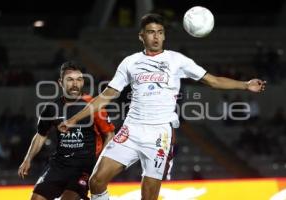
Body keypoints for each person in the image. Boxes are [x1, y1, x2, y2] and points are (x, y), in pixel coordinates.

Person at [58, 14, 266, 200]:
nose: (156, 37)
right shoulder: (130, 63)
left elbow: (213, 81)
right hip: (131, 129)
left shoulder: (177, 60)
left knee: (149, 197)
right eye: (150, 32)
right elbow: (106, 96)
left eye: (160, 32)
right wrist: (74, 119)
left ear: (164, 36)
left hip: (159, 134)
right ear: (141, 36)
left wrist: (245, 85)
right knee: (96, 182)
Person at [18, 61, 115, 200]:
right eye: (70, 80)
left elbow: (110, 134)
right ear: (60, 82)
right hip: (59, 165)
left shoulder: (93, 106)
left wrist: (100, 164)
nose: (75, 84)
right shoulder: (51, 108)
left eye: (79, 79)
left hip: (84, 166)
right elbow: (40, 135)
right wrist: (27, 160)